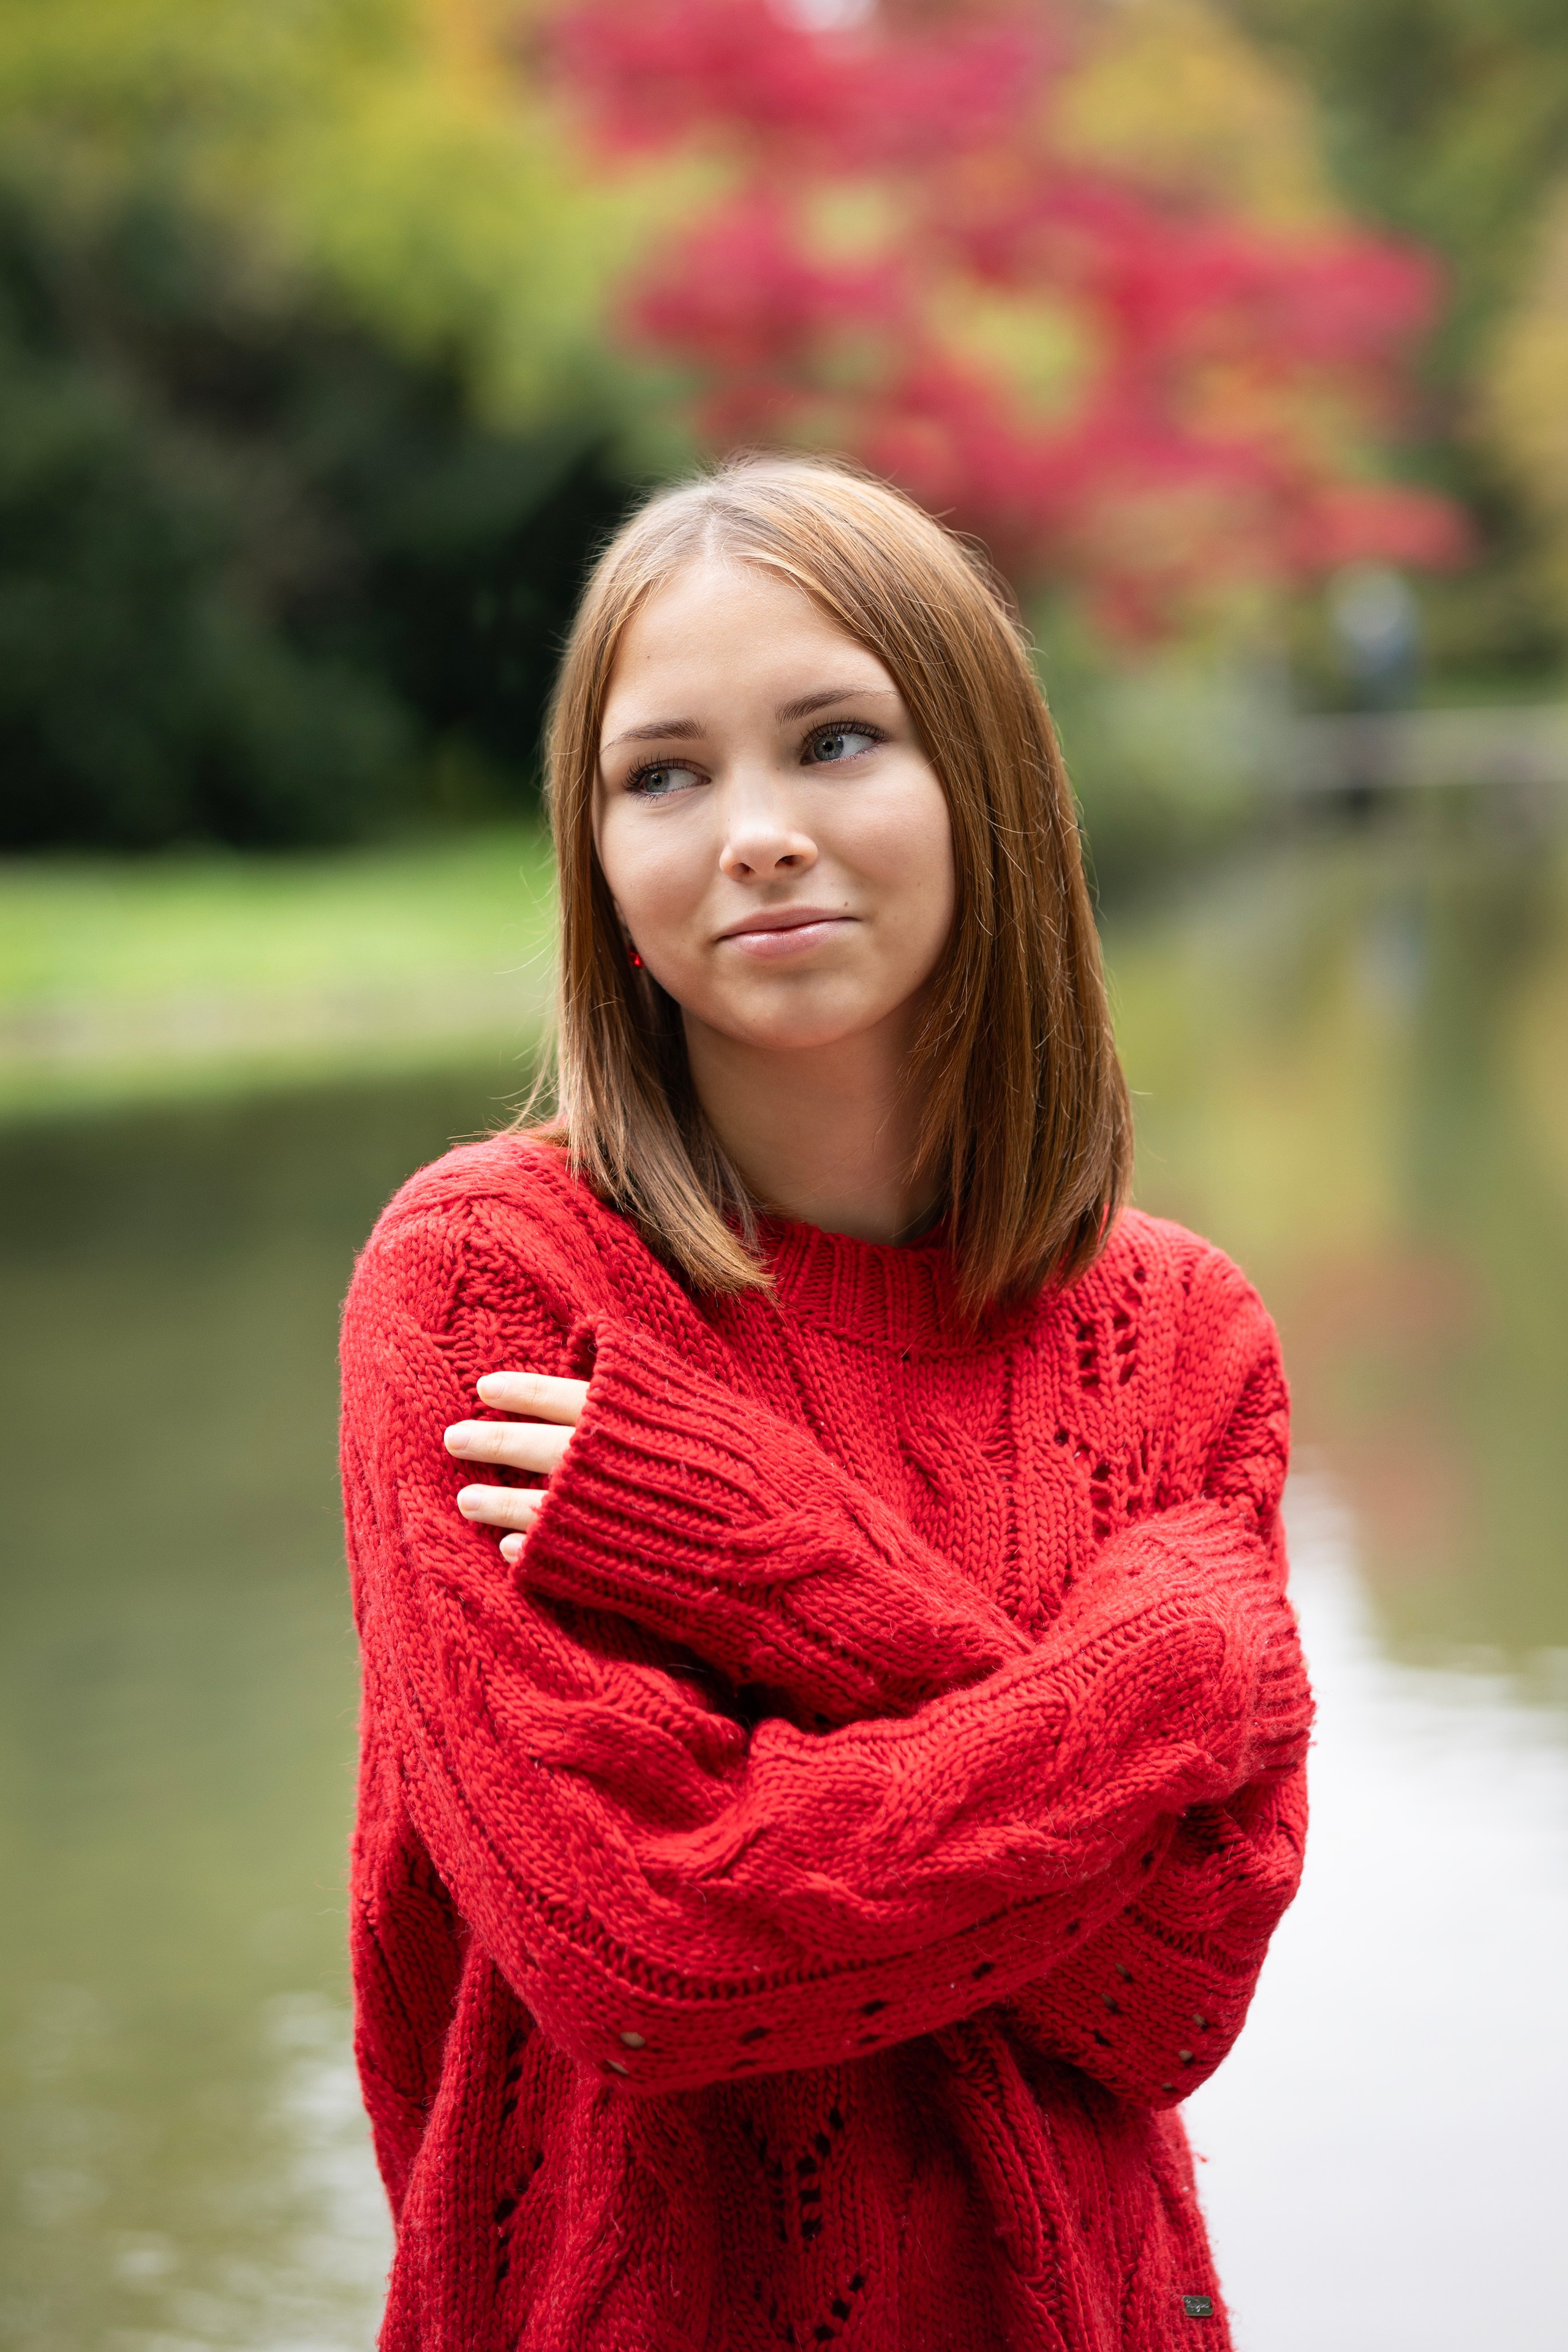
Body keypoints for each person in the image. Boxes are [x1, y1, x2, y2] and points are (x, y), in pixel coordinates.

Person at [339, 456, 1313, 2352]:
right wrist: (1164, 1674)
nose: (755, 831)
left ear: (991, 800)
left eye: (835, 739)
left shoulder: (1183, 1335)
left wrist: (746, 1560)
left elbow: (1175, 1996)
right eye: (666, 774)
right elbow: (645, 1945)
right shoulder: (484, 1284)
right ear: (603, 872)